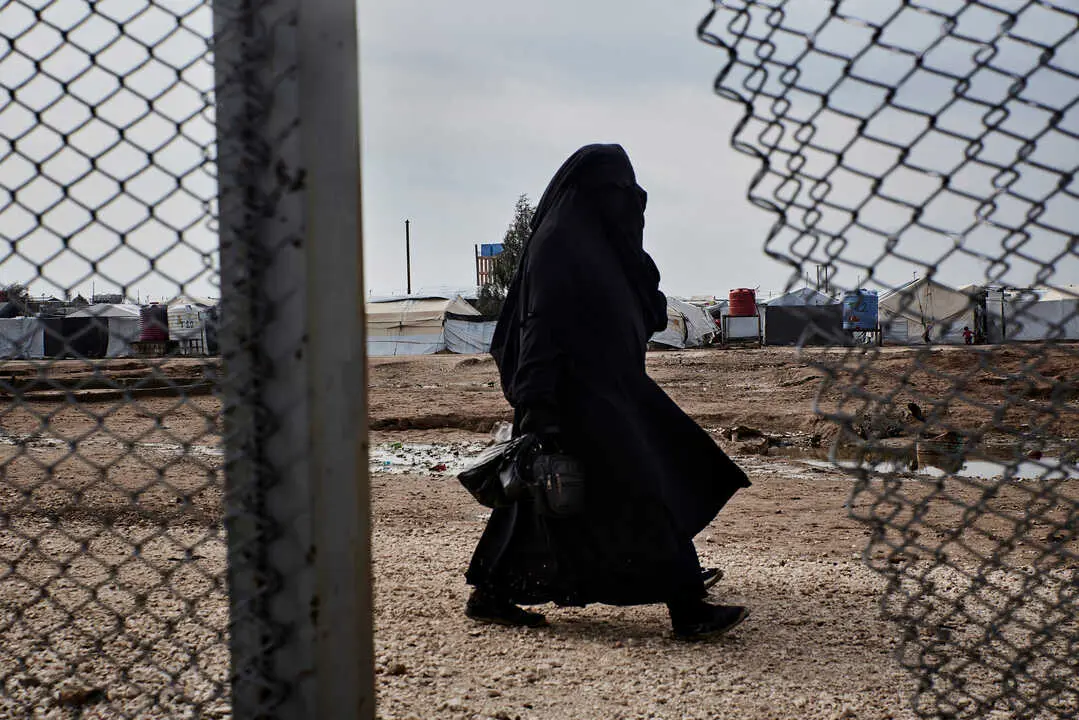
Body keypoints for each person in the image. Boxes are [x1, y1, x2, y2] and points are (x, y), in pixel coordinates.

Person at [464, 144, 752, 640]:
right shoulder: (559, 243)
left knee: (544, 499)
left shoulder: (601, 243)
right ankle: (686, 602)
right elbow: (540, 327)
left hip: (612, 389)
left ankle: (491, 591)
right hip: (575, 396)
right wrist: (538, 405)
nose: (627, 200)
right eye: (615, 190)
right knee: (643, 488)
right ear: (588, 192)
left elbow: (644, 308)